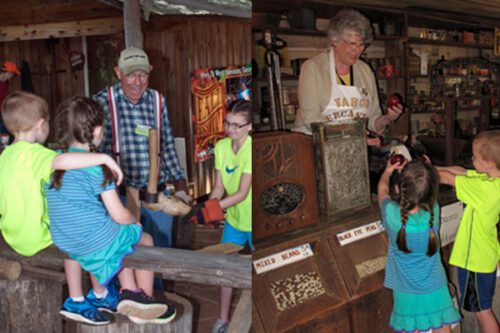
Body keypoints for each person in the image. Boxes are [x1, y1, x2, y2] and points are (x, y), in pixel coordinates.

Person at [45, 96, 177, 325]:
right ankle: (140, 298)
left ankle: (123, 291)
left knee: (115, 238)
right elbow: (118, 213)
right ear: (96, 132)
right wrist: (133, 222)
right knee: (142, 238)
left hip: (65, 239)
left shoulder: (52, 162)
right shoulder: (97, 166)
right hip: (93, 239)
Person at [0, 91, 123, 323]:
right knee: (80, 237)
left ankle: (91, 294)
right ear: (41, 125)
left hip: (10, 235)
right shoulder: (35, 154)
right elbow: (62, 161)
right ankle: (90, 296)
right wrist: (103, 159)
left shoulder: (4, 156)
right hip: (35, 238)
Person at [94, 47, 191, 265]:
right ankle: (127, 295)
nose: (137, 82)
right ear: (118, 72)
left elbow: (166, 145)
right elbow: (93, 151)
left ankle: (155, 294)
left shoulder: (157, 100)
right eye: (131, 75)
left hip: (156, 194)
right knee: (124, 255)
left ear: (150, 72)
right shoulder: (102, 102)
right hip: (119, 195)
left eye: (143, 74)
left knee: (159, 251)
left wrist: (181, 186)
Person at [293, 9, 403, 144]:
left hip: (352, 148)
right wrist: (353, 134)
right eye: (352, 44)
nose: (357, 50)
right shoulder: (313, 68)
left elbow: (372, 120)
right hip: (314, 147)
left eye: (361, 44)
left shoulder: (365, 71)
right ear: (335, 41)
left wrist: (387, 119)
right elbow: (311, 119)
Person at [378, 159, 461, 333]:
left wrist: (387, 171)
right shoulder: (433, 211)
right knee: (442, 325)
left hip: (405, 292)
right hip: (436, 287)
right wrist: (425, 170)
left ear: (398, 189)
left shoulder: (392, 214)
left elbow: (382, 191)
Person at [436, 130, 500, 333]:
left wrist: (418, 171)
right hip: (482, 256)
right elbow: (461, 172)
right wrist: (432, 167)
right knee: (482, 308)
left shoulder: (486, 190)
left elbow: (447, 178)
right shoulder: (491, 180)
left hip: (475, 260)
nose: (471, 159)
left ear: (489, 163)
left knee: (483, 311)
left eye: (475, 156)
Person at [208, 100, 252, 333]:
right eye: (227, 123)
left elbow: (242, 193)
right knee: (225, 268)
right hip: (234, 220)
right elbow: (218, 188)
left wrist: (214, 209)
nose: (230, 129)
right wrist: (209, 206)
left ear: (249, 127)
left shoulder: (251, 148)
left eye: (236, 125)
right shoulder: (221, 147)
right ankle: (222, 320)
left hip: (254, 220)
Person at [0, 61, 20, 145]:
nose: (12, 77)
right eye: (13, 74)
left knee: (6, 135)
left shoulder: (6, 83)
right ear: (8, 72)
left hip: (3, 113)